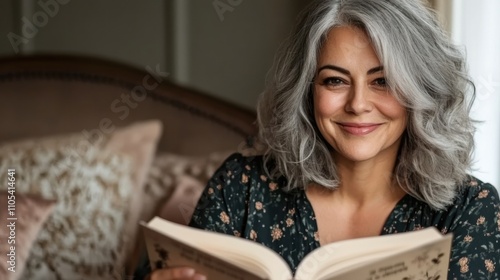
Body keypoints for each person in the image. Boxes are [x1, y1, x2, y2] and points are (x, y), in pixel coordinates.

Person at [140, 0, 500, 279]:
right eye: (335, 80)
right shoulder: (242, 187)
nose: (358, 104)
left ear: (421, 90)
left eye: (382, 80)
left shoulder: (469, 210)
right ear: (306, 92)